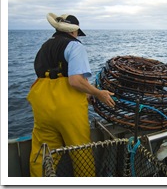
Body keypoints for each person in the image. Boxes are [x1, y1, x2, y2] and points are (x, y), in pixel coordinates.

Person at [27, 13, 115, 177]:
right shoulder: (75, 46)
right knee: (80, 151)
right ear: (74, 32)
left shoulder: (44, 46)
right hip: (67, 107)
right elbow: (75, 81)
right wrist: (98, 93)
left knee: (43, 153)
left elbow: (49, 75)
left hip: (41, 105)